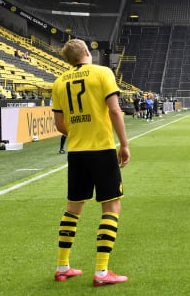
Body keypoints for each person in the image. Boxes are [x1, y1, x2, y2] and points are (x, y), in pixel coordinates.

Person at [51, 38, 130, 287]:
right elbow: (115, 110)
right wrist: (125, 144)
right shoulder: (102, 72)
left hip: (76, 152)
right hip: (101, 149)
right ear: (87, 52)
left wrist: (78, 132)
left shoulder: (59, 82)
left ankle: (63, 266)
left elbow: (59, 125)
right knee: (111, 207)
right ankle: (102, 271)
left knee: (73, 208)